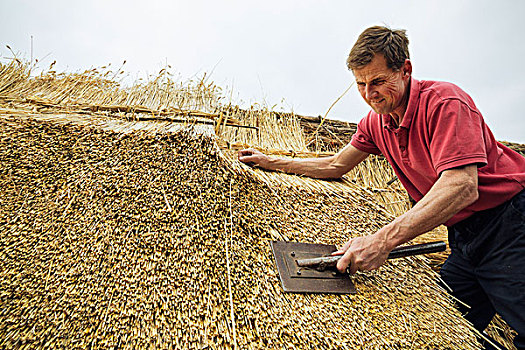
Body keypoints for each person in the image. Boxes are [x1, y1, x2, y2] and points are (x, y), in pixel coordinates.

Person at [238, 26, 525, 348]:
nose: (369, 94)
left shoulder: (445, 102)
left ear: (405, 70)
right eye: (360, 84)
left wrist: (381, 241)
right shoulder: (376, 123)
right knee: (444, 330)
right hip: (463, 237)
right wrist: (271, 162)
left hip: (510, 224)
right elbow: (335, 165)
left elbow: (461, 186)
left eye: (377, 82)